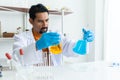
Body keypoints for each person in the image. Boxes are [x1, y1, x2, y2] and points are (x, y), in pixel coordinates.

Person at [12, 3, 94, 66]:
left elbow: (70, 47)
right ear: (31, 21)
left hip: (54, 76)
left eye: (47, 20)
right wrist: (37, 45)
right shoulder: (21, 38)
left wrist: (84, 42)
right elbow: (17, 58)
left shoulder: (55, 35)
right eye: (40, 21)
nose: (45, 24)